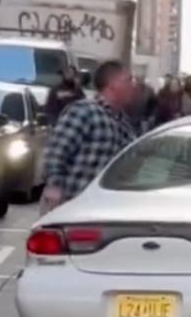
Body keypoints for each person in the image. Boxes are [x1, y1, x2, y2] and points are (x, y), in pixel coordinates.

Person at [41, 61, 137, 212]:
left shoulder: (124, 123)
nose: (133, 86)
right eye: (129, 80)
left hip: (105, 209)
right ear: (112, 84)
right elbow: (56, 151)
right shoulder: (85, 111)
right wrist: (54, 187)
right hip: (72, 207)